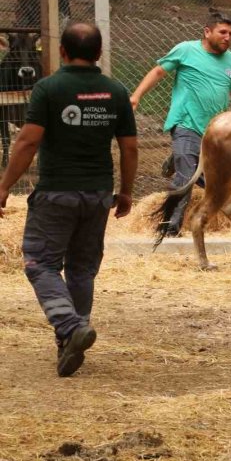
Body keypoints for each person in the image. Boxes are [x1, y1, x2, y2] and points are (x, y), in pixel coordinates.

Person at [0, 23, 138, 377]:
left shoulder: (49, 88)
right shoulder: (116, 91)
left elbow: (28, 142)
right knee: (82, 268)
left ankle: (69, 325)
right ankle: (71, 340)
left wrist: (3, 186)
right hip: (97, 194)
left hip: (56, 192)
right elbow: (130, 147)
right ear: (99, 53)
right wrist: (126, 191)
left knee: (39, 262)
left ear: (61, 51)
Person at [130, 11, 231, 236]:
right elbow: (158, 71)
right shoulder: (186, 50)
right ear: (207, 32)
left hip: (215, 132)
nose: (228, 37)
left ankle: (178, 160)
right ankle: (170, 228)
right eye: (222, 32)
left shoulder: (230, 60)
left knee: (216, 180)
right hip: (186, 123)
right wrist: (136, 97)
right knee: (187, 178)